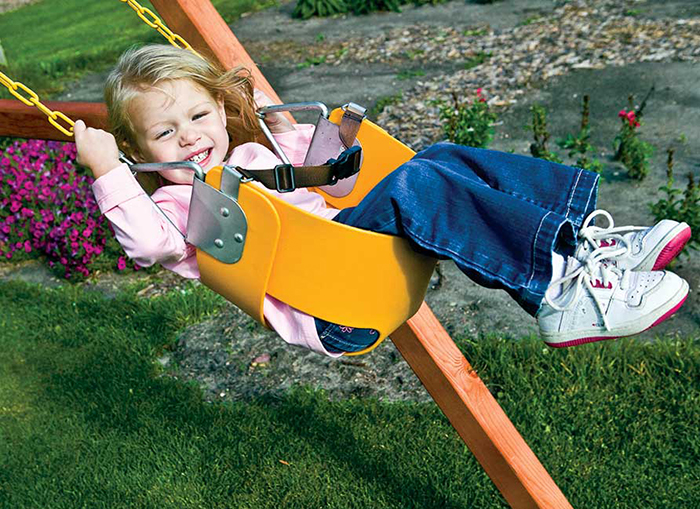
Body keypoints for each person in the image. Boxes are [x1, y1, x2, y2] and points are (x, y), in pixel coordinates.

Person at [73, 44, 691, 356]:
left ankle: (573, 240)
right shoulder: (179, 209)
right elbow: (150, 245)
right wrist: (108, 172)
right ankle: (559, 291)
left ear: (218, 110)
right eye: (164, 133)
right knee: (415, 184)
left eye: (199, 115)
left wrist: (271, 124)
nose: (188, 137)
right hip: (336, 303)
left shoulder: (248, 159)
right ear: (141, 152)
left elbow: (332, 182)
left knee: (439, 160)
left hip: (355, 256)